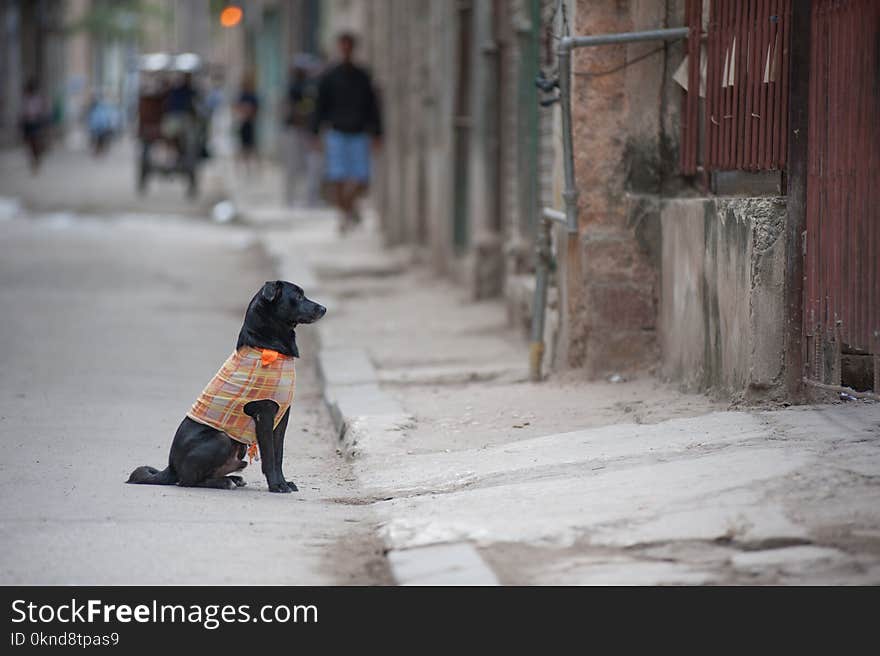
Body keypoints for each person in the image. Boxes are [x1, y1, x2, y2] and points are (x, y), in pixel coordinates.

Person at [311, 33, 383, 232]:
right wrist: (315, 133)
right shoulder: (329, 76)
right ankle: (345, 214)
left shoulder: (362, 76)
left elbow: (373, 106)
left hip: (359, 132)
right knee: (338, 178)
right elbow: (320, 106)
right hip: (337, 132)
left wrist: (377, 133)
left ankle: (349, 208)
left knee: (362, 179)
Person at [281, 56, 320, 207]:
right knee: (292, 166)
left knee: (311, 165)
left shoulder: (310, 87)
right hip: (293, 131)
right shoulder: (293, 87)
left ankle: (310, 199)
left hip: (306, 131)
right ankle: (290, 199)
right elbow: (291, 110)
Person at [19, 79, 48, 173]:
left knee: (36, 141)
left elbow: (42, 111)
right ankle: (33, 159)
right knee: (29, 142)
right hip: (28, 124)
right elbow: (22, 112)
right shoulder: (25, 99)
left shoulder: (37, 99)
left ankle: (37, 157)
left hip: (36, 123)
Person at [236, 74, 260, 172]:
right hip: (243, 123)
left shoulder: (253, 96)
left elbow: (257, 109)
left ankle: (252, 168)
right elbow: (237, 107)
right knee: (242, 147)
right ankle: (242, 168)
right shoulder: (242, 95)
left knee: (252, 146)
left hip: (251, 124)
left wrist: (250, 112)